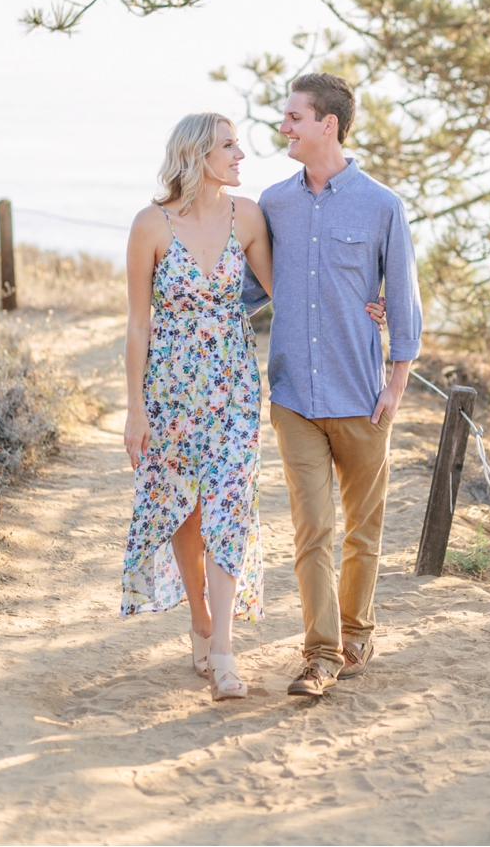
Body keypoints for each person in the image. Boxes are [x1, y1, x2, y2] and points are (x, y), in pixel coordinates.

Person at [120, 111, 386, 702]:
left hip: (234, 389)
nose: (241, 154)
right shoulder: (150, 224)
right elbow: (138, 324)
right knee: (184, 517)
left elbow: (288, 288)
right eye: (229, 146)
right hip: (169, 390)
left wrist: (370, 302)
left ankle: (223, 653)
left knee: (228, 509)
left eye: (238, 144)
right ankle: (201, 622)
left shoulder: (250, 216)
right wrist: (134, 409)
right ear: (196, 155)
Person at [244, 73, 423, 698]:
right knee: (312, 528)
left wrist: (394, 390)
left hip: (362, 398)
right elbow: (243, 292)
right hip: (292, 396)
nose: (284, 127)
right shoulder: (273, 203)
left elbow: (402, 306)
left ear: (329, 125)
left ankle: (357, 631)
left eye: (295, 117)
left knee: (362, 530)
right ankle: (319, 657)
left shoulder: (381, 206)